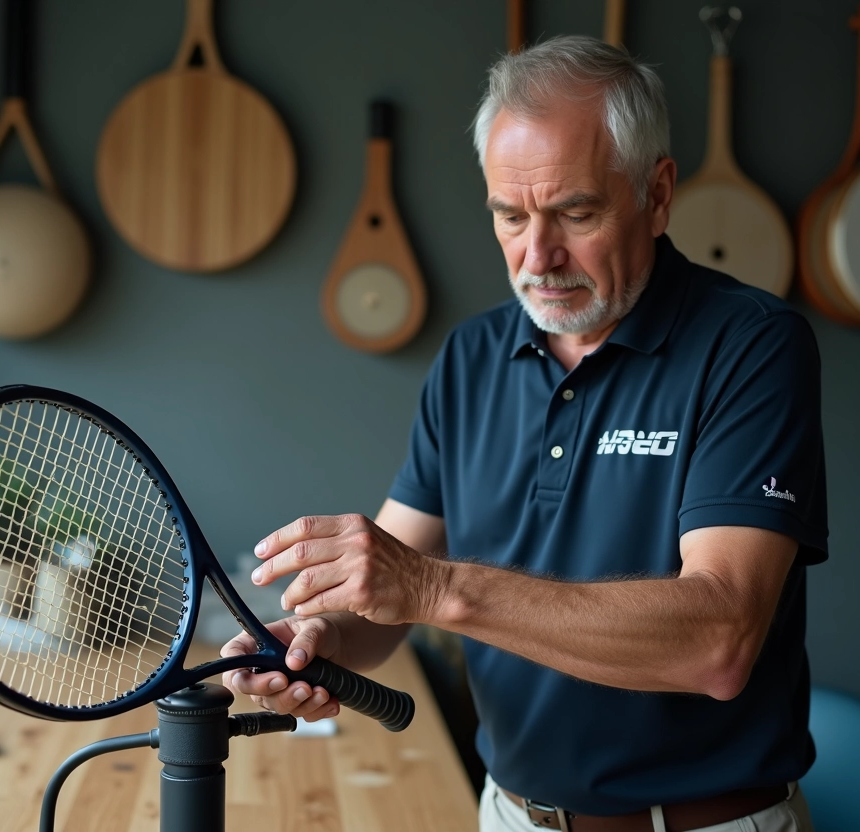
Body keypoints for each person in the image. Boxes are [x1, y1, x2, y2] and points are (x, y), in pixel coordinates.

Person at [222, 34, 827, 832]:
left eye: (575, 212)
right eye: (510, 215)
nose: (537, 255)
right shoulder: (471, 356)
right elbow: (390, 602)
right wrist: (311, 640)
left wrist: (434, 587)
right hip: (510, 816)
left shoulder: (751, 346)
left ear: (658, 193)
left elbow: (717, 642)